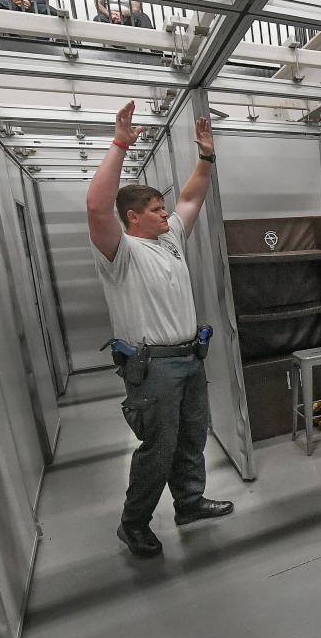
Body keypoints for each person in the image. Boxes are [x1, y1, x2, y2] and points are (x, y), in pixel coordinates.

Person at [87, 100, 234, 557]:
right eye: (155, 209)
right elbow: (96, 206)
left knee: (192, 435)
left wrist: (206, 157)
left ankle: (188, 503)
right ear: (133, 216)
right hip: (153, 370)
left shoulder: (167, 238)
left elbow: (192, 197)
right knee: (158, 447)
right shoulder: (120, 251)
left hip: (189, 359)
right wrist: (118, 145)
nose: (165, 214)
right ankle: (134, 523)